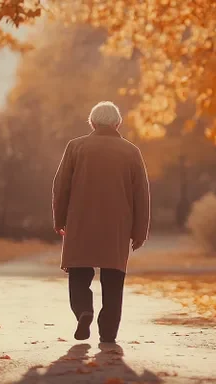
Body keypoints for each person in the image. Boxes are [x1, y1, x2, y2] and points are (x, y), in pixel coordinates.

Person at [52, 101, 150, 343]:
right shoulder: (131, 151)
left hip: (80, 222)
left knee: (78, 275)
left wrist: (60, 219)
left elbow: (60, 187)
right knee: (113, 281)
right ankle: (107, 333)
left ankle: (84, 311)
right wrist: (139, 232)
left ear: (92, 123)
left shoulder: (76, 147)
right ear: (117, 124)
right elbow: (142, 194)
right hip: (117, 227)